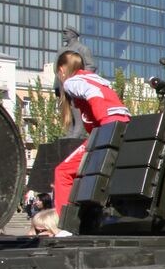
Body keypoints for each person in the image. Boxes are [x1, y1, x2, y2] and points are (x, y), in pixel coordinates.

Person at [54, 50, 131, 216]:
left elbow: (92, 93)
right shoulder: (95, 79)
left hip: (107, 128)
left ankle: (63, 221)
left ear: (61, 70)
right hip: (123, 126)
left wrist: (104, 122)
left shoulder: (72, 82)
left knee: (62, 173)